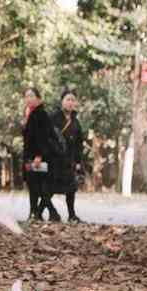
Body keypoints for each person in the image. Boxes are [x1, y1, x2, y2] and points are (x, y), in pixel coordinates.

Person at [22, 87, 61, 222]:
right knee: (33, 185)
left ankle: (51, 212)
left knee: (40, 187)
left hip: (40, 157)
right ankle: (34, 213)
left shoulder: (41, 114)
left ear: (39, 99)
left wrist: (39, 156)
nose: (28, 99)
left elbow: (43, 137)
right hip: (29, 156)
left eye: (31, 96)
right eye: (26, 96)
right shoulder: (29, 113)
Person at [50, 89, 85, 223]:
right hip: (54, 160)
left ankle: (72, 215)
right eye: (68, 99)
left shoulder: (76, 122)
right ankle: (45, 212)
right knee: (49, 189)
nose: (70, 102)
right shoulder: (53, 118)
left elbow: (79, 144)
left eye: (72, 100)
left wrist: (78, 161)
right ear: (62, 102)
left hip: (69, 161)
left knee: (71, 189)